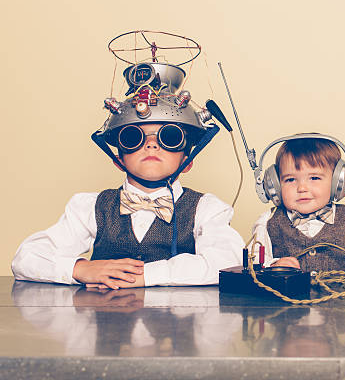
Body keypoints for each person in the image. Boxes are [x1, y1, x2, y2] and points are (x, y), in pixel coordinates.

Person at [12, 62, 243, 289]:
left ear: (187, 162)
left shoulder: (206, 209)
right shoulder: (91, 208)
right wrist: (80, 269)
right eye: (134, 138)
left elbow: (229, 261)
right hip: (105, 321)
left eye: (169, 137)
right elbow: (26, 258)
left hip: (178, 324)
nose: (151, 145)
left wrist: (147, 275)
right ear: (118, 160)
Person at [252, 137, 345, 275]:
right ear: (275, 186)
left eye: (314, 178)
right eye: (290, 179)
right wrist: (273, 264)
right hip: (288, 296)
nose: (302, 188)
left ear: (338, 183)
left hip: (344, 295)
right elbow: (252, 261)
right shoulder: (268, 220)